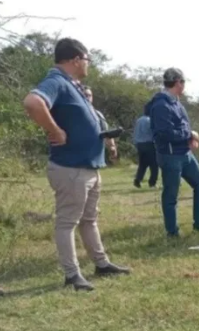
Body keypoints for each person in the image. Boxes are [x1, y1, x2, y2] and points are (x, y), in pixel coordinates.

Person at [22, 37, 130, 291]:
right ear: (75, 59)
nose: (88, 64)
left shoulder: (73, 85)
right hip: (71, 168)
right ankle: (72, 275)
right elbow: (33, 102)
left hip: (87, 166)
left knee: (89, 219)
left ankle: (101, 264)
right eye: (87, 59)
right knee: (67, 222)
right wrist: (55, 130)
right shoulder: (56, 81)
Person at [145, 67, 199, 236]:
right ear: (178, 82)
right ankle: (172, 232)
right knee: (171, 194)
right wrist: (190, 134)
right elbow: (165, 133)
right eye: (183, 82)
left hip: (185, 153)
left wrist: (189, 137)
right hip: (170, 156)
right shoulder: (161, 105)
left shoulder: (176, 102)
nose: (184, 86)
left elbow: (183, 124)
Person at [83, 86, 118, 162]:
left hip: (94, 156)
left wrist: (112, 147)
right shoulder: (72, 113)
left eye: (90, 95)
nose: (88, 97)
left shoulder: (98, 114)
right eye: (85, 95)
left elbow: (106, 132)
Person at [132, 114, 158, 188]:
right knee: (154, 165)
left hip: (139, 144)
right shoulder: (150, 120)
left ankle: (138, 180)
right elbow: (153, 132)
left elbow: (135, 132)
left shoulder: (139, 120)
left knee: (142, 164)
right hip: (149, 143)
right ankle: (152, 183)